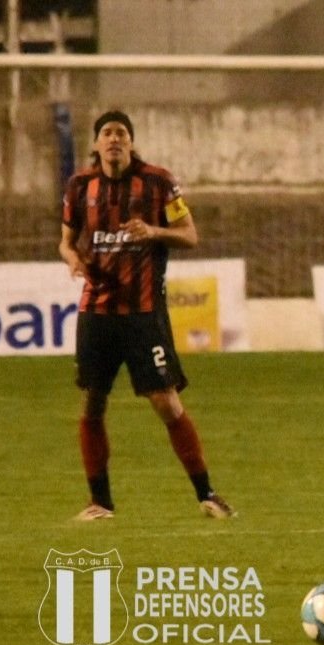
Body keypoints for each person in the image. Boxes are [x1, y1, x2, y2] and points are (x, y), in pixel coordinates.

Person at [58, 110, 232, 521]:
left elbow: (190, 235)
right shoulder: (80, 186)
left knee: (165, 401)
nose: (114, 139)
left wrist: (154, 232)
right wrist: (73, 259)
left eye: (121, 133)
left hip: (143, 313)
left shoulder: (158, 182)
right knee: (93, 402)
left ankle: (207, 494)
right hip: (96, 311)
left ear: (131, 142)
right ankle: (100, 503)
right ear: (97, 143)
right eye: (106, 133)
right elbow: (65, 242)